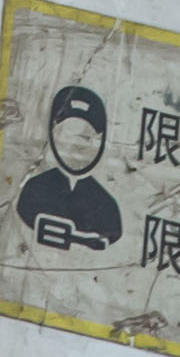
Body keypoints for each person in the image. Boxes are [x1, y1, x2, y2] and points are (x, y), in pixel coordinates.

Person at [13, 86, 124, 254]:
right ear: (52, 136)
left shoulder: (105, 203)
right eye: (67, 137)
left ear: (100, 144)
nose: (75, 148)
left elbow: (111, 235)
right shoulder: (35, 188)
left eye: (85, 139)